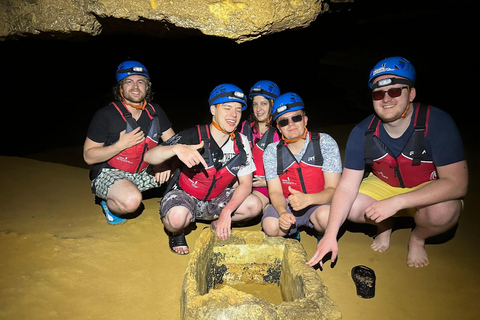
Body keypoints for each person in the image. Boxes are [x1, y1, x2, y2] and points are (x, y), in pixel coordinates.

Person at [307, 56, 468, 268]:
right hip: (386, 184)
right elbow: (346, 187)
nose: (386, 99)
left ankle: (418, 238)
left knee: (444, 212)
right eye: (378, 93)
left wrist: (398, 202)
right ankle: (384, 225)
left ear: (411, 93)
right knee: (353, 207)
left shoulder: (438, 122)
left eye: (394, 91)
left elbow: (457, 183)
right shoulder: (362, 132)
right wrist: (330, 235)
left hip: (426, 186)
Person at [144, 84, 263, 255]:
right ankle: (177, 232)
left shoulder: (241, 142)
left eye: (238, 110)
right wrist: (175, 149)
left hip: (217, 198)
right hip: (186, 195)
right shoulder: (193, 135)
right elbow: (149, 156)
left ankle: (216, 223)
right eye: (227, 108)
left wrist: (227, 212)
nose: (233, 115)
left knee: (254, 205)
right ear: (213, 109)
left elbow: (245, 183)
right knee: (176, 219)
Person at [83, 60, 175, 225]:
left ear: (147, 88)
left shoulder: (156, 112)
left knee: (188, 170)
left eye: (140, 82)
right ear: (120, 88)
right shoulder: (105, 115)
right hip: (110, 172)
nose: (135, 87)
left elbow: (174, 143)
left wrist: (165, 163)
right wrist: (121, 145)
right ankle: (110, 201)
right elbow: (88, 156)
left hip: (143, 171)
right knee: (132, 201)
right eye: (129, 82)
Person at [262, 92, 342, 241]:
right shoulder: (272, 151)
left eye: (296, 118)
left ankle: (321, 233)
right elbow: (275, 191)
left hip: (319, 203)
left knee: (327, 218)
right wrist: (282, 213)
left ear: (305, 120)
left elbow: (334, 189)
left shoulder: (324, 142)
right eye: (284, 122)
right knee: (270, 226)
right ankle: (292, 231)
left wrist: (309, 199)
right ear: (279, 127)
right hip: (287, 203)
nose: (291, 124)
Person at [239, 80, 281, 210]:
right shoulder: (245, 126)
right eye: (255, 104)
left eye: (263, 104)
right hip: (244, 181)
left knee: (249, 207)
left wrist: (267, 182)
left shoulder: (279, 132)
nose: (258, 109)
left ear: (273, 105)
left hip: (267, 185)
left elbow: (288, 167)